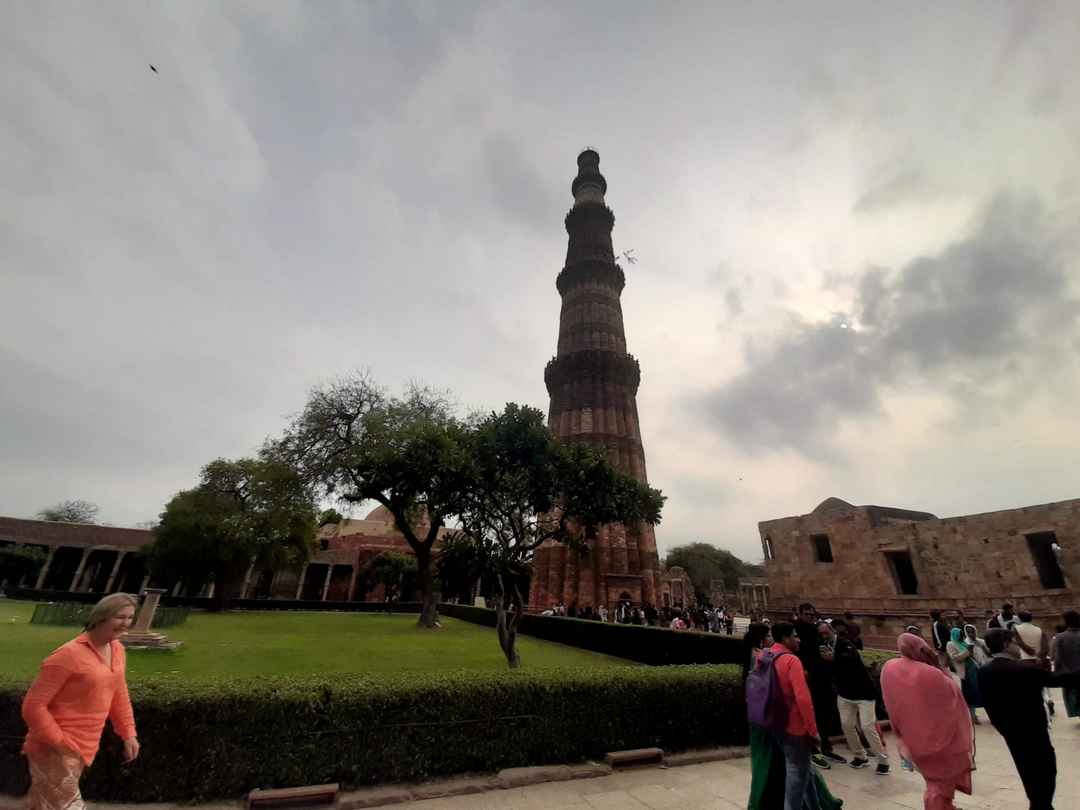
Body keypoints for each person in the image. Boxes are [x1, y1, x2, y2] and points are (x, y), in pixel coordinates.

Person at [21, 593, 141, 810]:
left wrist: (128, 733)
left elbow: (118, 693)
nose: (126, 623)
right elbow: (33, 706)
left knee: (44, 804)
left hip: (84, 745)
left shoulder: (117, 650)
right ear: (101, 617)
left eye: (130, 617)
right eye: (119, 617)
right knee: (68, 806)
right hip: (53, 748)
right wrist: (60, 743)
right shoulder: (67, 655)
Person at [742, 623, 843, 810]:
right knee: (796, 775)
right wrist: (813, 731)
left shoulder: (763, 655)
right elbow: (803, 699)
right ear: (785, 638)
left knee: (806, 770)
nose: (798, 639)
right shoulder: (791, 660)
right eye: (795, 636)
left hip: (773, 723)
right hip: (795, 728)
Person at [977, 627, 1080, 810]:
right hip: (1034, 731)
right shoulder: (1024, 669)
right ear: (1007, 644)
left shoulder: (984, 671)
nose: (1018, 647)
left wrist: (1004, 729)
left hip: (1012, 734)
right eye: (1015, 643)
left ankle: (1038, 804)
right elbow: (1059, 680)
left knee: (1027, 771)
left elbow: (989, 705)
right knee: (1046, 770)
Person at [881, 633, 975, 810]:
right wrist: (937, 665)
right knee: (939, 787)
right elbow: (953, 695)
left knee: (934, 781)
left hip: (912, 741)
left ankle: (947, 806)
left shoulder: (890, 667)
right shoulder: (931, 673)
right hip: (940, 743)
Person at [829, 619, 888, 774]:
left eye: (826, 632)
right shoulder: (822, 647)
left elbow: (851, 659)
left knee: (867, 726)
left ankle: (882, 760)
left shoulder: (845, 644)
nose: (824, 636)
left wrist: (833, 658)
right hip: (844, 693)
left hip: (863, 693)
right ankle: (860, 756)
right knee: (847, 725)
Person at [794, 604, 845, 768]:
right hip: (808, 677)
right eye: (806, 614)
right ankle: (812, 750)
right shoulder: (796, 630)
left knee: (824, 712)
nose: (810, 616)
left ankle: (826, 746)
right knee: (811, 713)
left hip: (822, 676)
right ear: (799, 614)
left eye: (812, 614)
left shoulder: (816, 630)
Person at [945, 627, 982, 724]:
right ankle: (972, 716)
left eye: (962, 634)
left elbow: (972, 655)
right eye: (959, 634)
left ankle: (975, 715)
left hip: (974, 668)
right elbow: (955, 658)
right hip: (965, 672)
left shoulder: (964, 643)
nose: (961, 636)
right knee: (969, 694)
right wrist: (967, 652)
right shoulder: (950, 644)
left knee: (978, 691)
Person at [1053, 610, 1080, 720]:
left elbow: (1058, 658)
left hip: (1070, 674)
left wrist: (1057, 672)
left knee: (1075, 698)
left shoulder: (1060, 637)